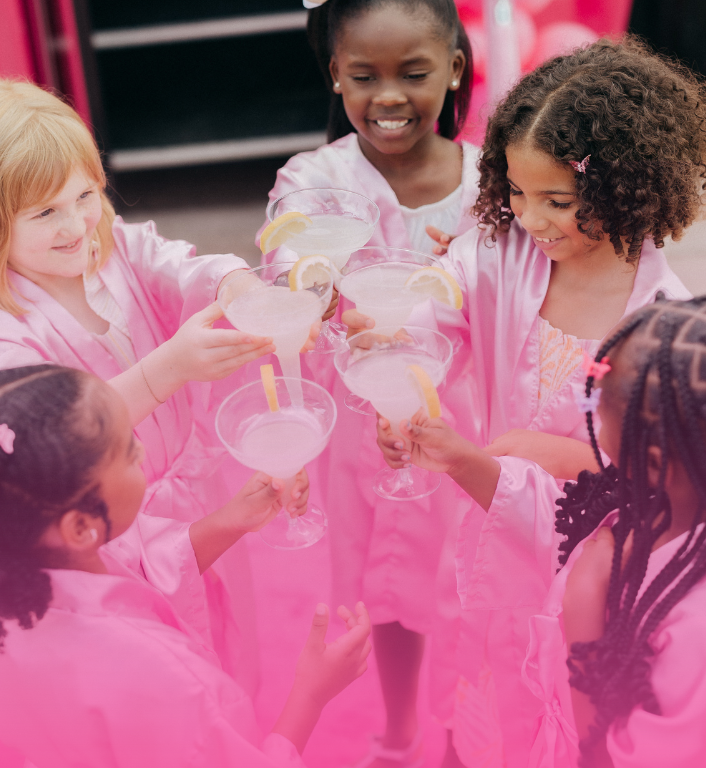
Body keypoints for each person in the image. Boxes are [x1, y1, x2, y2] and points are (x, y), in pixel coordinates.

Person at [365, 39, 706, 766]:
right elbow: (434, 316)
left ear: (628, 186)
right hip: (492, 558)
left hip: (593, 585)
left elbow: (672, 483)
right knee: (485, 713)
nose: (530, 219)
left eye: (557, 201)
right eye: (516, 194)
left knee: (579, 726)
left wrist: (536, 453)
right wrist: (397, 390)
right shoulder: (500, 255)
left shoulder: (665, 322)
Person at [0, 77, 302, 691]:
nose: (77, 224)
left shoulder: (114, 246)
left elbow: (180, 266)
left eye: (85, 195)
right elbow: (56, 437)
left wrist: (234, 284)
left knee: (231, 636)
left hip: (196, 486)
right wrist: (170, 368)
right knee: (167, 669)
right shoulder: (1, 339)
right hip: (114, 530)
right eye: (46, 211)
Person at [399, 297, 706, 767]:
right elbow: (558, 524)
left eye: (601, 414)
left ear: (652, 462)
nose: (593, 424)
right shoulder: (669, 498)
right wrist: (464, 462)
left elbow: (609, 754)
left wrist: (583, 603)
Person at [0, 364, 374, 768]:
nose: (141, 451)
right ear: (80, 527)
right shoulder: (169, 677)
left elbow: (136, 565)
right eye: (128, 452)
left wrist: (230, 521)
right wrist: (311, 691)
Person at [264, 1, 478, 763]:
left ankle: (465, 730)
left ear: (454, 67)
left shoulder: (493, 183)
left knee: (463, 586)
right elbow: (289, 270)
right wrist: (322, 301)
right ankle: (400, 726)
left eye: (413, 73)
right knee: (386, 582)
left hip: (464, 425)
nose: (389, 96)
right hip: (361, 437)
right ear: (335, 76)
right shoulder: (314, 181)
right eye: (364, 76)